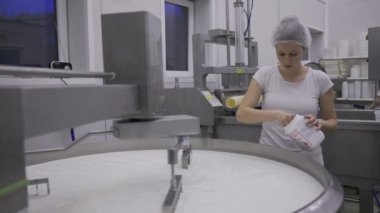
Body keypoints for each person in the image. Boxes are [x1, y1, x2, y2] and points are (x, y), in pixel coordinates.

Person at [236, 16, 337, 165]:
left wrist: (319, 122)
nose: (287, 61)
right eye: (281, 54)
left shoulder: (320, 79)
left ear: (303, 49)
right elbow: (242, 114)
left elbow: (333, 124)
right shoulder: (264, 75)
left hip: (308, 160)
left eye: (293, 54)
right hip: (271, 158)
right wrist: (276, 115)